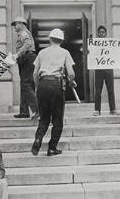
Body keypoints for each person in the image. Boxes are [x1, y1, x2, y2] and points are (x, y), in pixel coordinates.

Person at [31, 28, 76, 156]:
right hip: (56, 85)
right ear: (61, 40)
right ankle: (52, 148)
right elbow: (71, 73)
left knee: (44, 118)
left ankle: (38, 138)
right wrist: (71, 82)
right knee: (57, 119)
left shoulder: (42, 53)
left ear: (50, 39)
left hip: (43, 84)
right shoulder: (65, 52)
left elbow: (35, 74)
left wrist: (38, 87)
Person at [11, 16, 39, 119]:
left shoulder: (24, 32)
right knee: (25, 85)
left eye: (16, 24)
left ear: (22, 24)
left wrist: (17, 54)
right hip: (25, 58)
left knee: (26, 84)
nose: (15, 26)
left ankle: (37, 110)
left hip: (28, 57)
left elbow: (28, 44)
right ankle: (24, 111)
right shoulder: (21, 33)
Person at [93, 25, 119, 116]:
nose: (101, 34)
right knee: (98, 91)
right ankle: (97, 109)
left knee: (111, 90)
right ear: (98, 34)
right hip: (98, 70)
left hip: (108, 69)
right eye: (99, 32)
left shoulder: (110, 43)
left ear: (106, 34)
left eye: (103, 32)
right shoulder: (94, 44)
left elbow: (117, 54)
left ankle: (113, 109)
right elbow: (92, 56)